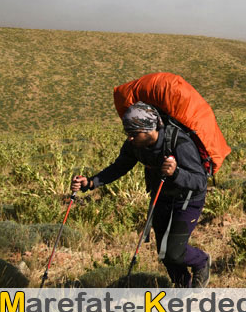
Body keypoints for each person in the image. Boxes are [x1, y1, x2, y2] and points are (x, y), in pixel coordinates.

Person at [71, 101, 211, 287]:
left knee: (174, 252)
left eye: (133, 133)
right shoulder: (134, 145)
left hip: (188, 200)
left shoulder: (179, 143)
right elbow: (119, 167)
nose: (129, 138)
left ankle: (201, 261)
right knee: (163, 252)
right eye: (127, 133)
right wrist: (90, 182)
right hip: (161, 197)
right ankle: (183, 288)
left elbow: (200, 181)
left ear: (148, 129)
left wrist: (176, 173)